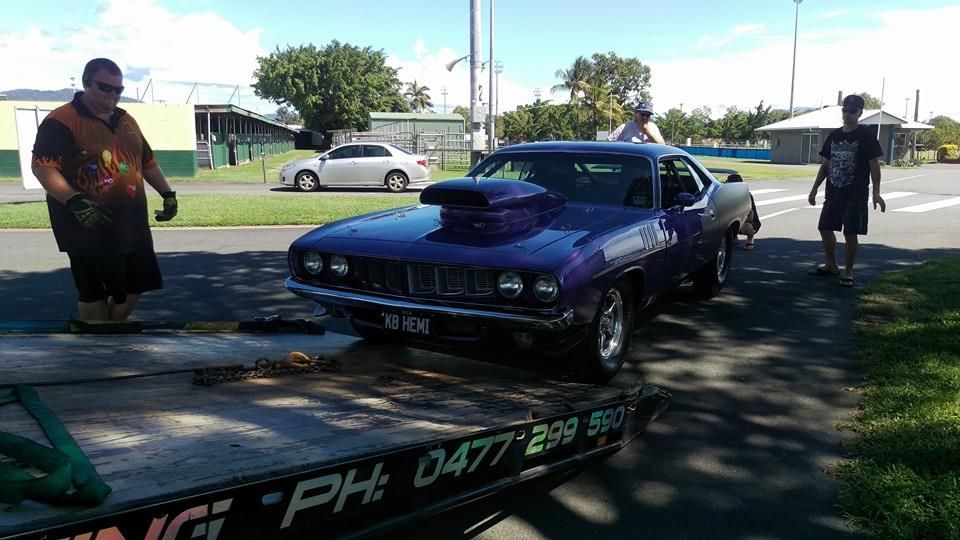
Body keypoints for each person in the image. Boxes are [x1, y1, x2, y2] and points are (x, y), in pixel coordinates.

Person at [31, 58, 178, 321]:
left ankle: (111, 330)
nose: (112, 94)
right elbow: (44, 168)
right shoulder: (62, 120)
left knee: (136, 286)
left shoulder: (126, 120)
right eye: (105, 87)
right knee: (93, 292)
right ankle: (95, 347)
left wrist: (168, 194)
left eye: (118, 90)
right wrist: (74, 201)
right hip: (86, 227)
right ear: (87, 83)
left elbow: (147, 161)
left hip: (131, 225)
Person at [807, 94, 885, 287]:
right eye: (844, 110)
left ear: (860, 113)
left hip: (855, 193)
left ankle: (848, 271)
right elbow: (826, 164)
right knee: (824, 228)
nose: (847, 114)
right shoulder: (834, 135)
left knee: (850, 233)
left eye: (852, 111)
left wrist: (876, 192)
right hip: (833, 191)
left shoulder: (866, 136)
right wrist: (814, 189)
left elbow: (874, 165)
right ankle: (831, 265)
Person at [726, 173, 761, 249]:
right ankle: (733, 237)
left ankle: (750, 240)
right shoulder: (728, 195)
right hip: (735, 219)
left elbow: (751, 214)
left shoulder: (745, 195)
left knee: (747, 226)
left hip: (749, 221)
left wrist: (738, 223)